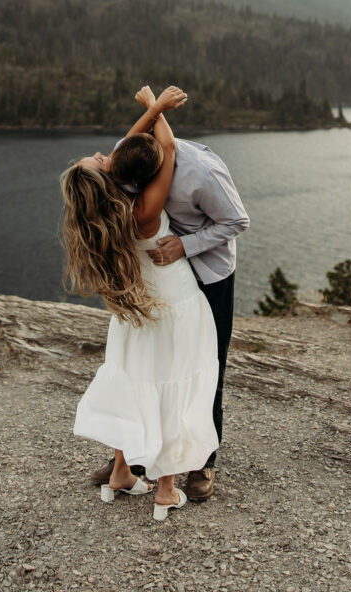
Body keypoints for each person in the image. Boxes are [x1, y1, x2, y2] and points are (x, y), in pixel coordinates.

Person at [82, 86, 250, 502]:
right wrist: (154, 107)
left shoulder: (201, 172)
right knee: (150, 368)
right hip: (159, 285)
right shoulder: (128, 171)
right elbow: (154, 145)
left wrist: (185, 245)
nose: (108, 162)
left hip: (207, 275)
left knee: (205, 366)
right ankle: (135, 460)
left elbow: (237, 221)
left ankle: (202, 463)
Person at [60, 86, 220, 520]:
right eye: (95, 159)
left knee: (134, 385)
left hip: (133, 313)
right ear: (102, 173)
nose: (101, 154)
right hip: (172, 305)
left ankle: (121, 474)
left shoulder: (103, 205)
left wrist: (150, 111)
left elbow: (124, 153)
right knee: (172, 385)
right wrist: (158, 106)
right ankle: (166, 490)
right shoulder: (145, 211)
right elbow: (163, 146)